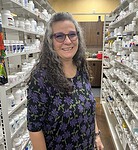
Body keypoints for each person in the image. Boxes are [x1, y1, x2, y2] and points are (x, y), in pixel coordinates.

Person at [27, 12, 104, 150]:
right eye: (60, 36)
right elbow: (35, 128)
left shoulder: (81, 67)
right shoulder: (41, 78)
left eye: (72, 34)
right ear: (50, 41)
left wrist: (96, 135)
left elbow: (89, 106)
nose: (68, 41)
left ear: (78, 37)